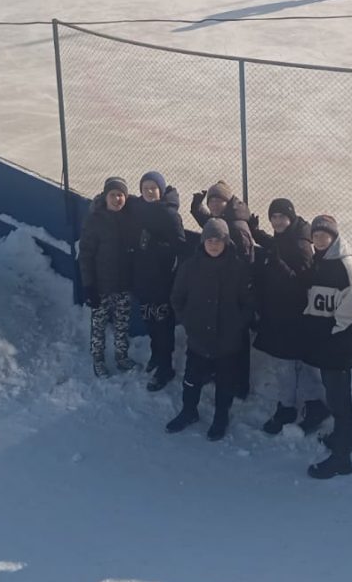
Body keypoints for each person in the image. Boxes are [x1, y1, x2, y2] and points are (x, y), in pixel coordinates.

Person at [166, 218, 254, 441]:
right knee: (192, 379)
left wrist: (236, 326)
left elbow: (248, 303)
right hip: (199, 337)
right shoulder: (190, 267)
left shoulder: (238, 268)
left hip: (227, 340)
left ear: (226, 242)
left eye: (218, 240)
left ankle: (221, 417)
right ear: (203, 241)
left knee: (225, 382)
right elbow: (177, 297)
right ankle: (189, 411)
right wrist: (188, 322)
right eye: (210, 240)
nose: (214, 245)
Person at [251, 199, 324, 435]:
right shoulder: (290, 236)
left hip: (291, 316)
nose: (277, 221)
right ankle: (308, 405)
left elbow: (301, 282)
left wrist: (277, 263)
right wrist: (257, 234)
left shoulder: (301, 244)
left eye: (282, 217)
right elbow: (277, 246)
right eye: (274, 217)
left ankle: (289, 407)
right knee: (294, 363)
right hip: (282, 312)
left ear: (291, 218)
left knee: (287, 364)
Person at [301, 214, 352, 479]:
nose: (319, 239)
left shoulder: (344, 265)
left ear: (333, 237)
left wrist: (333, 331)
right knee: (334, 392)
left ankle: (342, 459)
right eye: (315, 235)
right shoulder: (320, 260)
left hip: (338, 345)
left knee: (339, 399)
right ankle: (346, 437)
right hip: (327, 343)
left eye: (324, 235)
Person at [130, 171, 186, 391]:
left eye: (153, 188)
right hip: (143, 278)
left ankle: (165, 367)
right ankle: (156, 355)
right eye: (145, 188)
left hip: (162, 281)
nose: (149, 192)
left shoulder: (169, 215)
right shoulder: (139, 208)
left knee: (163, 325)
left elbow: (180, 247)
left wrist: (157, 246)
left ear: (161, 190)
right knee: (150, 321)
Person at [78, 176, 137, 377]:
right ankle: (98, 359)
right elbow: (85, 255)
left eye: (121, 195)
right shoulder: (95, 220)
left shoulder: (130, 218)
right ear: (105, 196)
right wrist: (89, 285)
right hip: (101, 286)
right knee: (99, 325)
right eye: (113, 194)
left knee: (122, 323)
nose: (117, 199)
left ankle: (122, 356)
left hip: (123, 284)